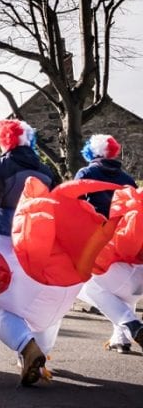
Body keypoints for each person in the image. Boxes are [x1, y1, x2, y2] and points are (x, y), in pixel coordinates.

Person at [0, 119, 56, 386]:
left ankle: (27, 347)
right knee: (38, 303)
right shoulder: (45, 170)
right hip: (41, 244)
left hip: (6, 242)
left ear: (4, 140)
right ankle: (36, 356)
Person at [75, 135, 142, 353]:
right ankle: (120, 339)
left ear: (91, 154)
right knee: (123, 293)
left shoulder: (86, 174)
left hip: (100, 244)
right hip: (131, 246)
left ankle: (131, 324)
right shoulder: (127, 179)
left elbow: (75, 206)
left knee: (86, 285)